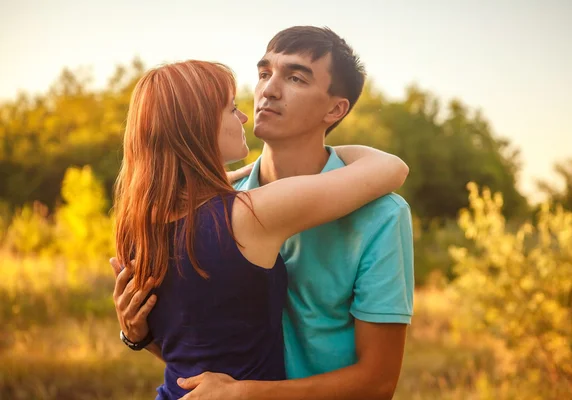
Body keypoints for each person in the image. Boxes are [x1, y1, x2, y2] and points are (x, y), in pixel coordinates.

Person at [112, 57, 409, 400]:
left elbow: (194, 351)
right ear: (197, 125)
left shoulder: (138, 226)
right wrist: (324, 148)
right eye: (231, 109)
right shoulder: (251, 213)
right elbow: (391, 168)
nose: (244, 115)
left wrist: (137, 337)